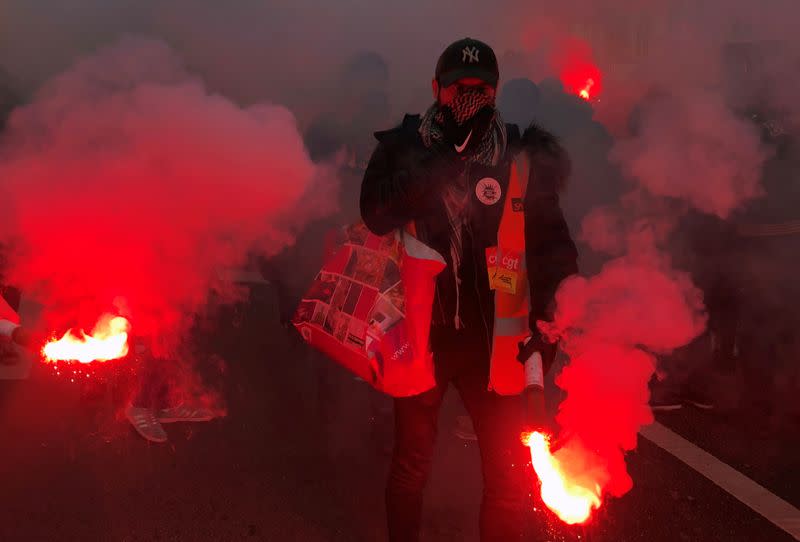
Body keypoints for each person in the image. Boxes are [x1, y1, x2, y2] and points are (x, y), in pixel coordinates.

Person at [360, 38, 578, 541]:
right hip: (423, 337)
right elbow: (376, 214)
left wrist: (553, 319)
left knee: (505, 478)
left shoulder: (519, 156)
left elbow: (553, 246)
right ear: (436, 89)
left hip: (496, 343)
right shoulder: (403, 148)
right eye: (459, 88)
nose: (470, 99)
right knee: (411, 466)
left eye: (482, 90)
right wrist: (441, 159)